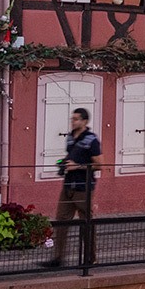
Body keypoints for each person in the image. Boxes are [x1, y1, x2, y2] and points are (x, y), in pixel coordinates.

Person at [47, 108, 101, 267]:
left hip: (83, 187)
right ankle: (57, 258)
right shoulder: (70, 138)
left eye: (76, 119)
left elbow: (99, 165)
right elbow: (70, 156)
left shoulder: (92, 140)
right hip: (68, 186)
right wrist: (63, 163)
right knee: (61, 221)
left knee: (86, 223)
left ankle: (90, 259)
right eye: (72, 118)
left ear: (85, 121)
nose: (73, 121)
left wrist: (78, 167)